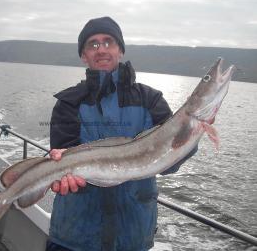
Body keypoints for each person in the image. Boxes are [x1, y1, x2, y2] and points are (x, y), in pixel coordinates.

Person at [46, 17, 198, 251]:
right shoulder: (68, 103)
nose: (102, 49)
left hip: (132, 237)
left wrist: (193, 131)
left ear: (121, 50)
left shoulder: (151, 99)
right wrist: (64, 178)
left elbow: (169, 165)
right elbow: (65, 158)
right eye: (93, 44)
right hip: (74, 236)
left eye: (109, 42)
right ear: (83, 55)